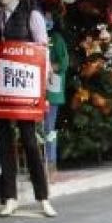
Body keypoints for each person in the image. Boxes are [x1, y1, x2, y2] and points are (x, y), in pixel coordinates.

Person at [0, 0, 54, 217]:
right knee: (5, 143)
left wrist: (43, 85)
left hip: (25, 88)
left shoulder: (31, 15)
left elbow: (42, 50)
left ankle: (43, 197)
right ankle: (10, 197)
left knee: (29, 141)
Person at [43, 10, 68, 183]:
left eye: (48, 17)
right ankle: (41, 165)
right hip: (37, 91)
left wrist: (49, 66)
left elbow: (64, 63)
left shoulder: (57, 39)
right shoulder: (37, 36)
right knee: (40, 129)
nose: (46, 20)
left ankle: (51, 165)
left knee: (49, 128)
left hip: (52, 91)